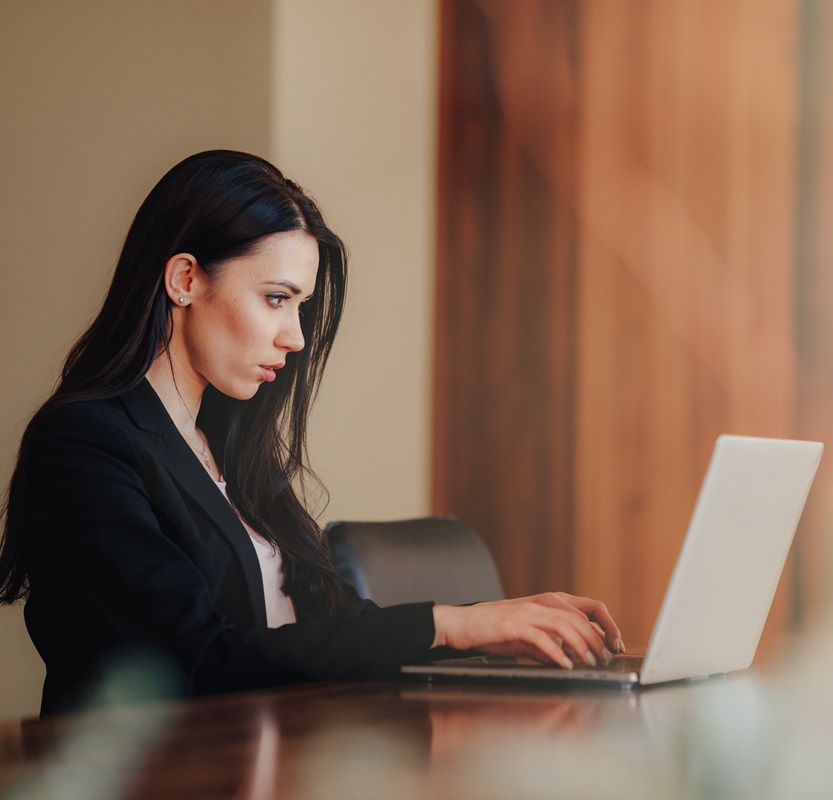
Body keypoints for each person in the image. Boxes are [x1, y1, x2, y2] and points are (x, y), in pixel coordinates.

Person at [0, 150, 624, 716]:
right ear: (185, 280)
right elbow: (195, 660)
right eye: (277, 299)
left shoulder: (230, 447)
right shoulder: (84, 442)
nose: (296, 337)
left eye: (300, 305)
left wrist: (497, 635)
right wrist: (451, 625)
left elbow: (329, 623)